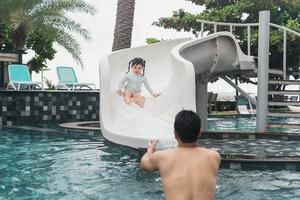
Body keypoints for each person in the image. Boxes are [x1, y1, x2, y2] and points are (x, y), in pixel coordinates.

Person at [140, 110, 221, 200]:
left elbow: (144, 164)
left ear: (175, 133)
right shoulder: (214, 157)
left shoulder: (162, 157)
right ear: (199, 132)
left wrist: (150, 150)